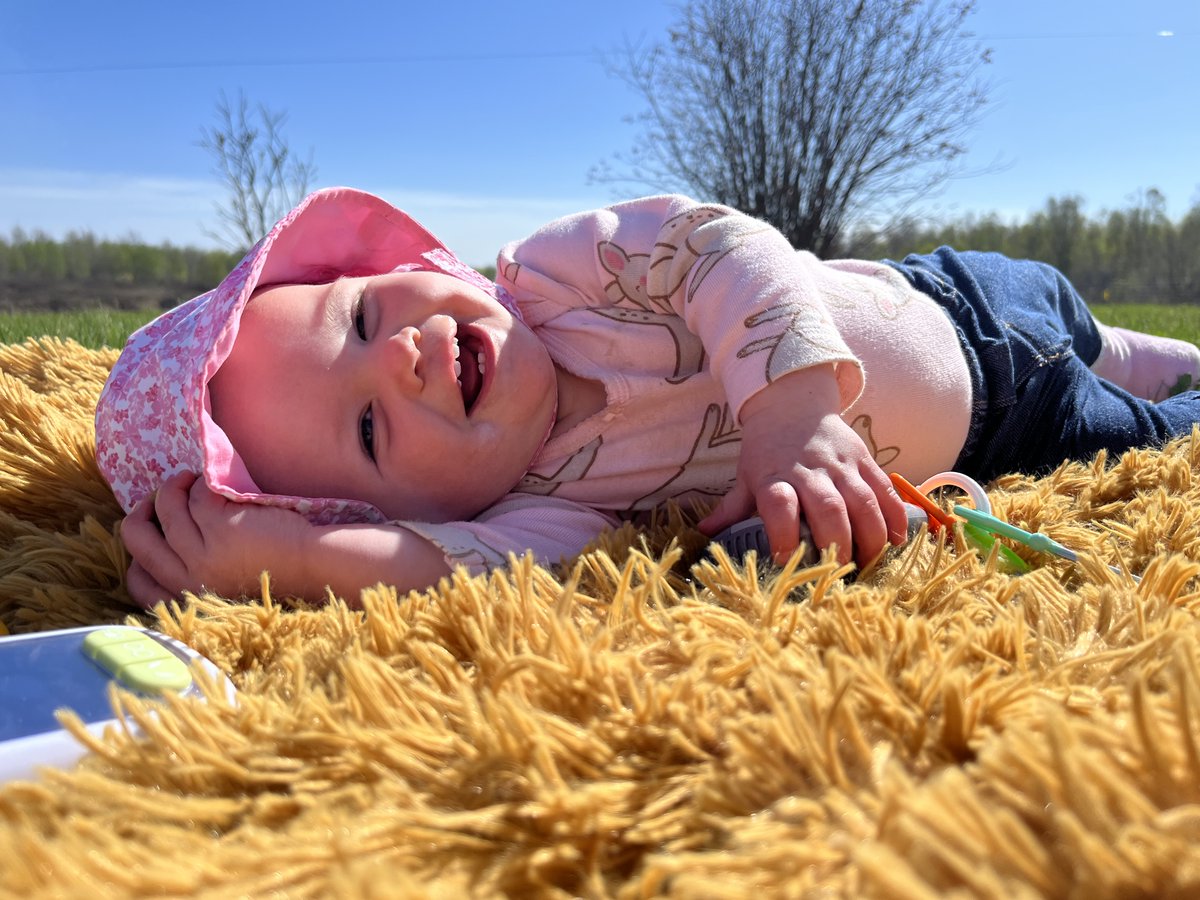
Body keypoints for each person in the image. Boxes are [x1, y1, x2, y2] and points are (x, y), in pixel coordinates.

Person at [95, 188, 1200, 608]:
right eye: (371, 428)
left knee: (1098, 337)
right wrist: (287, 560)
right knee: (1151, 435)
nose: (406, 359)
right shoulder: (535, 509)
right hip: (1016, 430)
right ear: (400, 511)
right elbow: (459, 575)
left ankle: (1142, 348)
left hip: (961, 305)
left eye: (365, 318)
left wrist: (790, 415)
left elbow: (722, 243)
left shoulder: (562, 275)